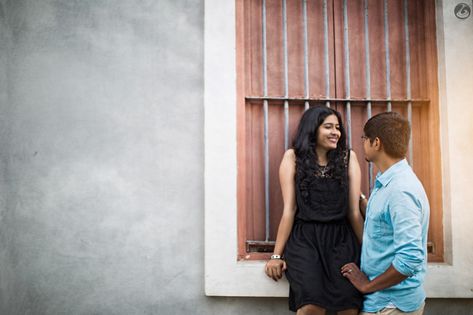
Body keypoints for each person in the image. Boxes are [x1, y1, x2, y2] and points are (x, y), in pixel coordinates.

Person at [265, 106, 365, 315]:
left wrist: (368, 250)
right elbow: (289, 210)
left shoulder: (348, 158)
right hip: (305, 240)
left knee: (348, 307)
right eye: (328, 127)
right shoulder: (292, 158)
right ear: (312, 129)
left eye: (337, 127)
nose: (335, 132)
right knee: (311, 306)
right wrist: (276, 256)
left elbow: (354, 212)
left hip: (341, 240)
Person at [341, 112, 430, 315]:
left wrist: (366, 286)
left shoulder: (400, 191)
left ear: (377, 143)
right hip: (382, 302)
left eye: (364, 138)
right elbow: (383, 221)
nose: (362, 143)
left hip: (391, 305)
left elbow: (409, 259)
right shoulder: (387, 181)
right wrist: (360, 198)